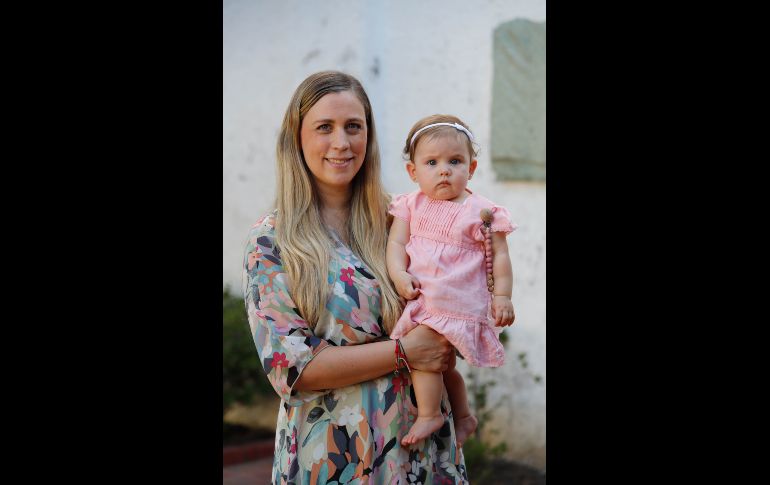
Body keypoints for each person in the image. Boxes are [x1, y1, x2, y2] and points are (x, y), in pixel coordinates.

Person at [242, 72, 470, 484]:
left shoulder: (403, 219)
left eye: (354, 126)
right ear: (296, 138)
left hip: (421, 456)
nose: (342, 143)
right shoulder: (272, 240)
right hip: (332, 457)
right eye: (324, 127)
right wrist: (405, 352)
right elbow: (292, 370)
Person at [386, 114, 517, 447]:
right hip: (426, 299)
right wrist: (399, 274)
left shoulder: (482, 211)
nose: (444, 169)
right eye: (432, 162)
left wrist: (502, 296)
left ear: (471, 169)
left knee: (425, 361)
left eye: (455, 161)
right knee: (441, 366)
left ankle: (430, 414)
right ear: (413, 172)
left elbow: (499, 255)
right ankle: (464, 416)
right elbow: (396, 244)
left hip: (457, 302)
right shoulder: (410, 205)